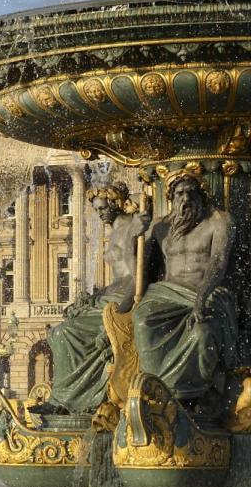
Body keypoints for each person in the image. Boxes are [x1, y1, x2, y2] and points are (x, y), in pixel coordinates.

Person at [31, 182, 147, 415]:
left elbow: (138, 277)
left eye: (104, 208)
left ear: (116, 203)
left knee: (65, 333)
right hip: (109, 298)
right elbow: (119, 277)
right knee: (56, 332)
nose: (100, 213)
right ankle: (69, 397)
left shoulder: (131, 228)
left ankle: (66, 400)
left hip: (123, 302)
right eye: (97, 209)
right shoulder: (116, 230)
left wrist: (117, 316)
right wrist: (93, 298)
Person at [133, 172, 238, 406]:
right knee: (142, 320)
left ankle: (196, 396)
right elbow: (139, 268)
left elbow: (219, 262)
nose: (186, 197)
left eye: (191, 192)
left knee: (202, 334)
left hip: (205, 292)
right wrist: (134, 234)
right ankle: (155, 391)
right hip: (167, 294)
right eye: (180, 193)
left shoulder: (220, 221)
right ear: (171, 197)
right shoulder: (160, 226)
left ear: (201, 195)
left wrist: (202, 297)